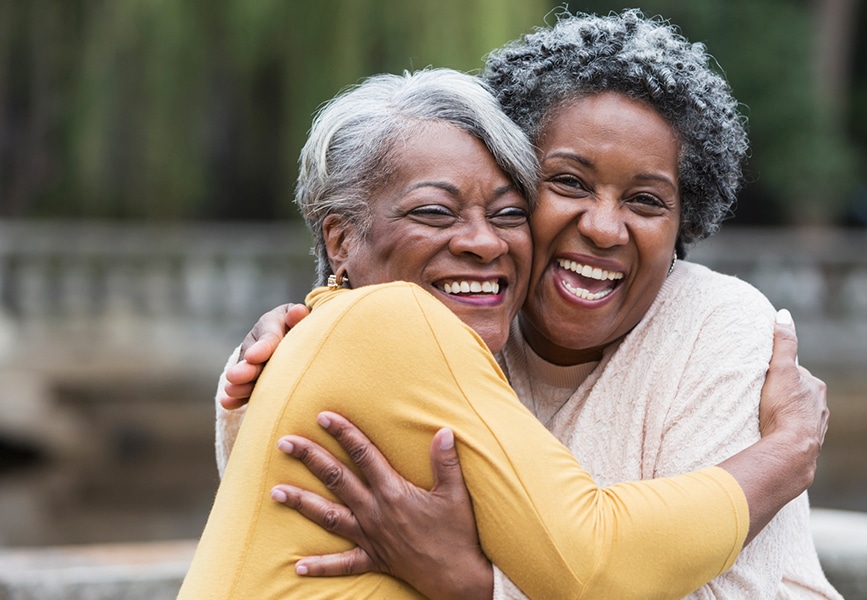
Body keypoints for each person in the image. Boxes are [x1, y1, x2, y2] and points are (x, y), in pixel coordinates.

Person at [185, 67, 827, 600]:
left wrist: (469, 583)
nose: (483, 241)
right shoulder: (401, 322)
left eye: (506, 213)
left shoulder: (713, 323)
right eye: (435, 212)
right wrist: (786, 454)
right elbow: (594, 556)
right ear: (341, 238)